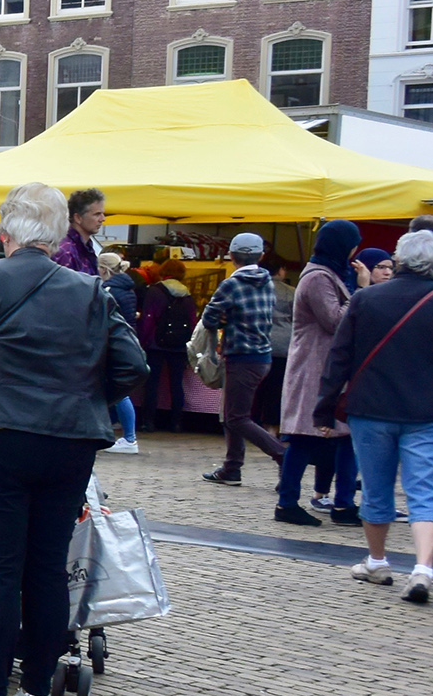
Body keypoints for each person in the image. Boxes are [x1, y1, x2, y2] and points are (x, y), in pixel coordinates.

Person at [0, 182, 145, 696]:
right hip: (69, 442)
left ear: (5, 234)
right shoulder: (91, 290)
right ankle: (39, 692)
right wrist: (83, 398)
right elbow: (132, 366)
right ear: (61, 233)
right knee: (47, 567)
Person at [318, 230, 433, 601]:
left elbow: (339, 357)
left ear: (399, 260)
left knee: (375, 486)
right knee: (424, 491)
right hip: (425, 412)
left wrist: (324, 407)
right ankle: (422, 568)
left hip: (371, 408)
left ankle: (378, 561)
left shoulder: (366, 298)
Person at [276, 221, 361, 528]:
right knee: (304, 436)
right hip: (313, 367)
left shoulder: (331, 274)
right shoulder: (317, 277)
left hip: (331, 367)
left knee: (345, 435)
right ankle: (287, 503)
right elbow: (335, 320)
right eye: (353, 244)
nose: (355, 251)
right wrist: (362, 292)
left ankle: (343, 503)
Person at [199, 232, 284, 486]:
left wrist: (225, 318)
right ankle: (232, 467)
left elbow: (209, 319)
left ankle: (282, 455)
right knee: (232, 411)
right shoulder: (267, 281)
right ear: (261, 255)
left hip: (241, 356)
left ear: (231, 256)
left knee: (237, 417)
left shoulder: (231, 285)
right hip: (263, 356)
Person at [138, 259, 197, 431]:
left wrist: (143, 341)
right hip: (179, 345)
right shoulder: (187, 294)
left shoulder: (155, 291)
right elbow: (193, 322)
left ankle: (148, 422)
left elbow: (148, 319)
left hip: (156, 344)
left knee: (152, 383)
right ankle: (176, 422)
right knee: (177, 384)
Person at [97, 251, 140, 452]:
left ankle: (129, 438)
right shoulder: (128, 289)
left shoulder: (108, 290)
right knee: (120, 390)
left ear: (103, 269)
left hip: (110, 342)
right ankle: (126, 435)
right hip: (125, 340)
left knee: (120, 394)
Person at [53, 188, 104, 276]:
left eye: (103, 214)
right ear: (78, 218)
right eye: (97, 214)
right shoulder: (65, 251)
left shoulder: (85, 246)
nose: (103, 219)